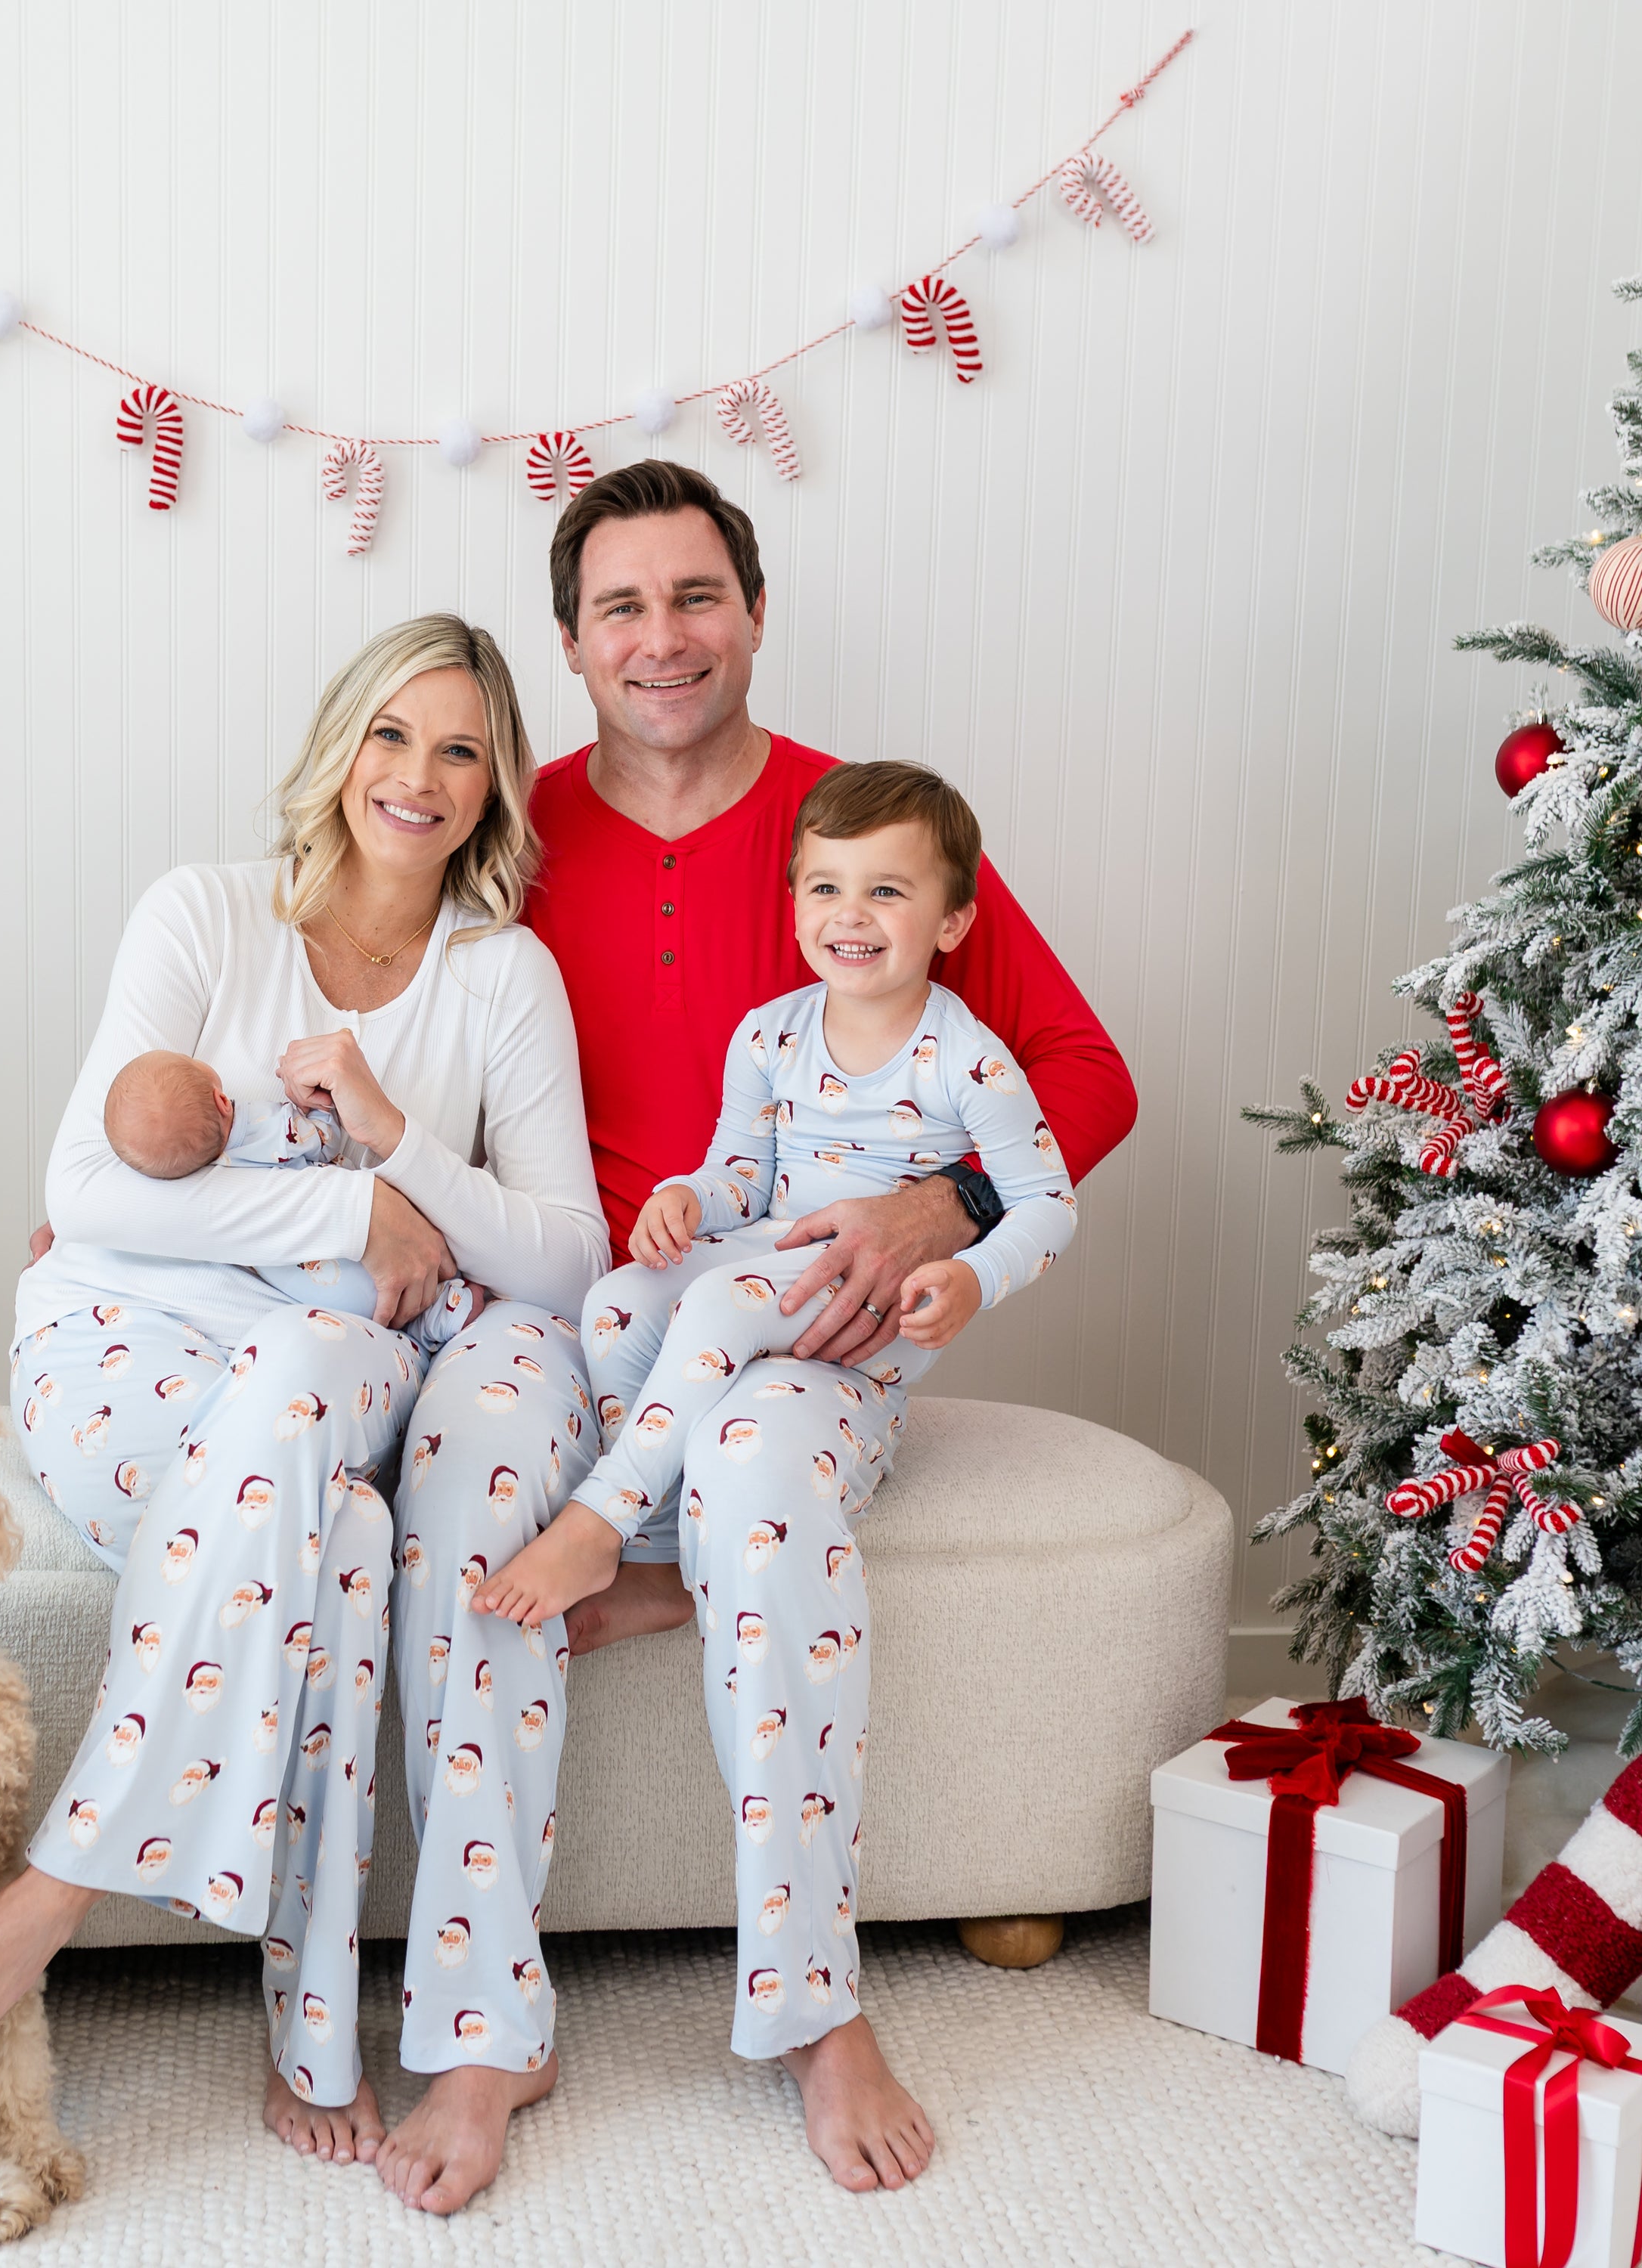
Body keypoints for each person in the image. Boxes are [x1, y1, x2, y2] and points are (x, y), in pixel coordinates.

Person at [0, 615, 609, 2199]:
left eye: (460, 749)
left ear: (495, 786)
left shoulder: (501, 975)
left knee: (312, 1395)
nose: (417, 775)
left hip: (333, 1349)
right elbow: (87, 1194)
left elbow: (560, 1253)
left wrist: (399, 1154)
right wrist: (353, 1214)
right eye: (391, 734)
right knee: (343, 1535)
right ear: (340, 745)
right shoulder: (202, 913)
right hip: (126, 1335)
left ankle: (58, 1897)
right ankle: (308, 2026)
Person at [507, 460, 1138, 2197]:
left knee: (762, 1475)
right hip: (596, 1317)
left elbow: (1080, 1076)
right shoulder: (510, 828)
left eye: (695, 595)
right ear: (569, 641)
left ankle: (817, 2002)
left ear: (756, 613)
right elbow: (371, 1003)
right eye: (620, 606)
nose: (662, 637)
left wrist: (938, 1208)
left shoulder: (859, 838)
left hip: (815, 1334)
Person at [476, 756, 1077, 1631]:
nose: (851, 914)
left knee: (719, 1303)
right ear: (794, 900)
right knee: (617, 1304)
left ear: (953, 921)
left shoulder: (971, 1061)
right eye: (826, 887)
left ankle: (598, 1519)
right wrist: (688, 1198)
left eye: (887, 892)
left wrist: (974, 1278)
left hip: (873, 1300)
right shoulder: (770, 1035)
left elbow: (1049, 1204)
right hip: (779, 1254)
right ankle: (657, 1554)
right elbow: (743, 1176)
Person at [101, 1049, 482, 1349]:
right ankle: (449, 1305)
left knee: (385, 1308)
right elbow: (321, 1141)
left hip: (306, 1287)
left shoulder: (200, 1182)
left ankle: (430, 1325)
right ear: (221, 1100)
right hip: (351, 1251)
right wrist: (319, 1106)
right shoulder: (261, 1125)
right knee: (408, 1283)